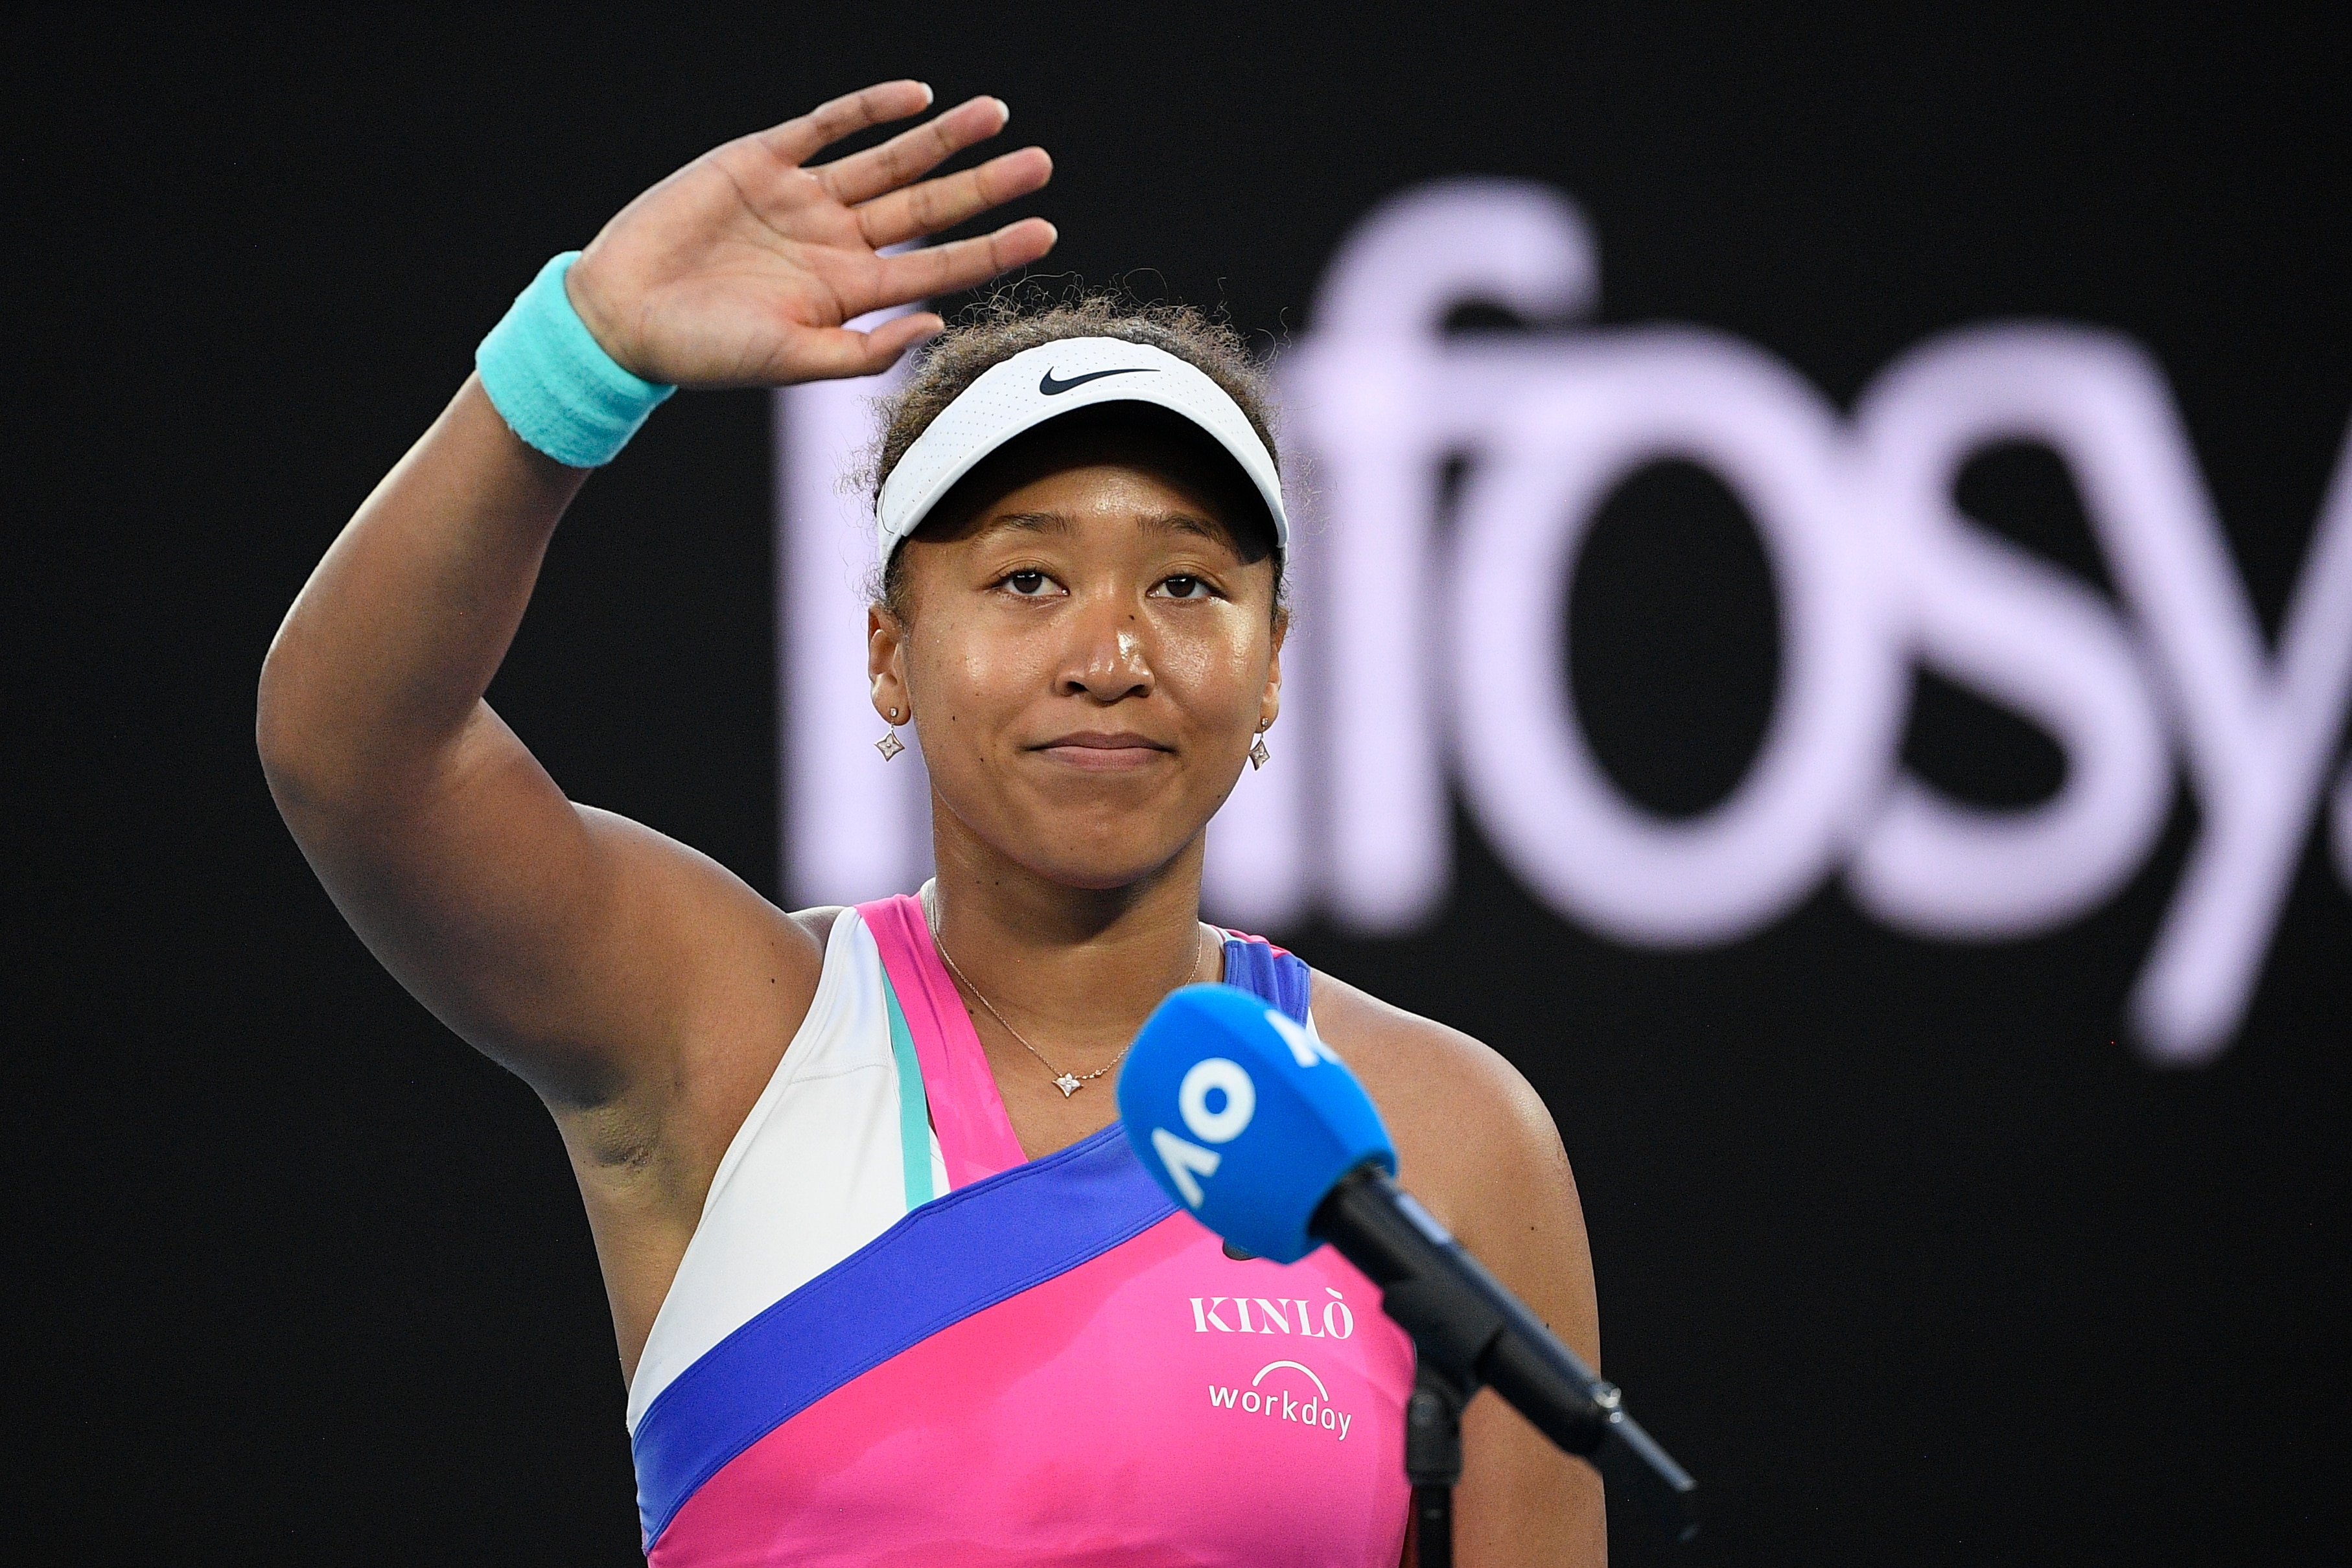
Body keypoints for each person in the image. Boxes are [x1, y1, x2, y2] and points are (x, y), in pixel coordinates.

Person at [257, 80, 1603, 1567]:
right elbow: (353, 754)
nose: (1112, 652)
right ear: (890, 649)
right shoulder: (731, 1035)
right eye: (1028, 580)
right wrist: (576, 358)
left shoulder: (1447, 1134)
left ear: (1275, 661)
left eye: (1187, 586)